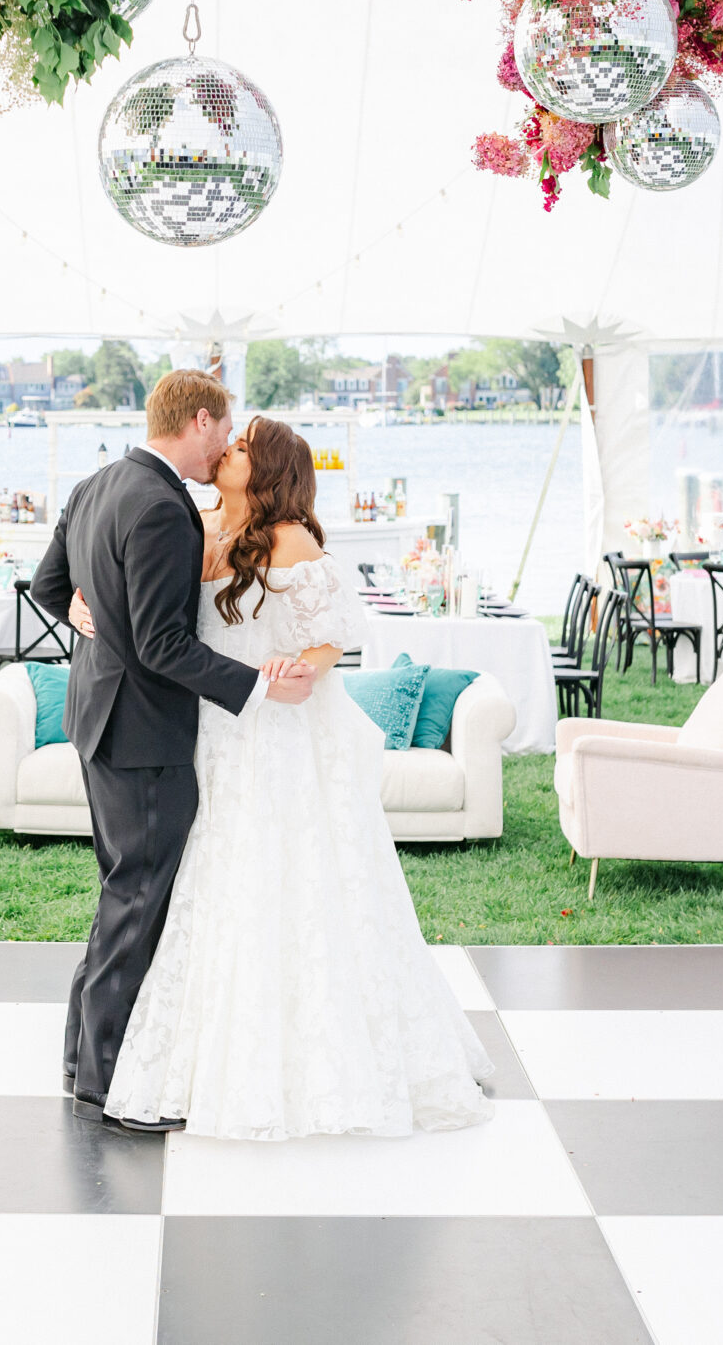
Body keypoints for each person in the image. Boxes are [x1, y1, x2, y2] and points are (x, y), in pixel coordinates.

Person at [69, 414, 494, 1140]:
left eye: (239, 448)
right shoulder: (196, 525)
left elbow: (333, 633)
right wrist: (86, 603)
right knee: (207, 888)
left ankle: (309, 1062)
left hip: (274, 737)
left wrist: (300, 670)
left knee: (284, 885)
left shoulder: (292, 539)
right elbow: (143, 606)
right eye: (228, 440)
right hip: (211, 737)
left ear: (264, 471)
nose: (225, 450)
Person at [29, 370, 320, 1131]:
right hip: (143, 735)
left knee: (120, 891)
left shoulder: (97, 483)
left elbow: (45, 582)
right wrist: (256, 686)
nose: (226, 444)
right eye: (223, 430)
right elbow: (162, 644)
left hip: (96, 720)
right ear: (197, 420)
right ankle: (104, 1081)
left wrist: (80, 610)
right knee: (136, 901)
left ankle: (78, 1055)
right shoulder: (161, 507)